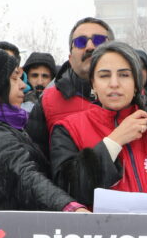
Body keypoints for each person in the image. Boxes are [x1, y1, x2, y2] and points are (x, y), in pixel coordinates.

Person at [51, 41, 147, 212]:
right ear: (93, 84)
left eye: (124, 75)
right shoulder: (68, 128)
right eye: (104, 75)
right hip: (95, 229)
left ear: (136, 84)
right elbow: (68, 190)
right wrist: (114, 141)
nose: (114, 83)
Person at [0, 47, 84, 212]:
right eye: (14, 78)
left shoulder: (4, 124)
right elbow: (24, 177)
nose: (23, 85)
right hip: (5, 226)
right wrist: (69, 208)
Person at [25, 17, 114, 157]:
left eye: (99, 40)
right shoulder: (48, 102)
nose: (90, 47)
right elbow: (35, 159)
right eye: (80, 42)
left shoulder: (135, 97)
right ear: (70, 58)